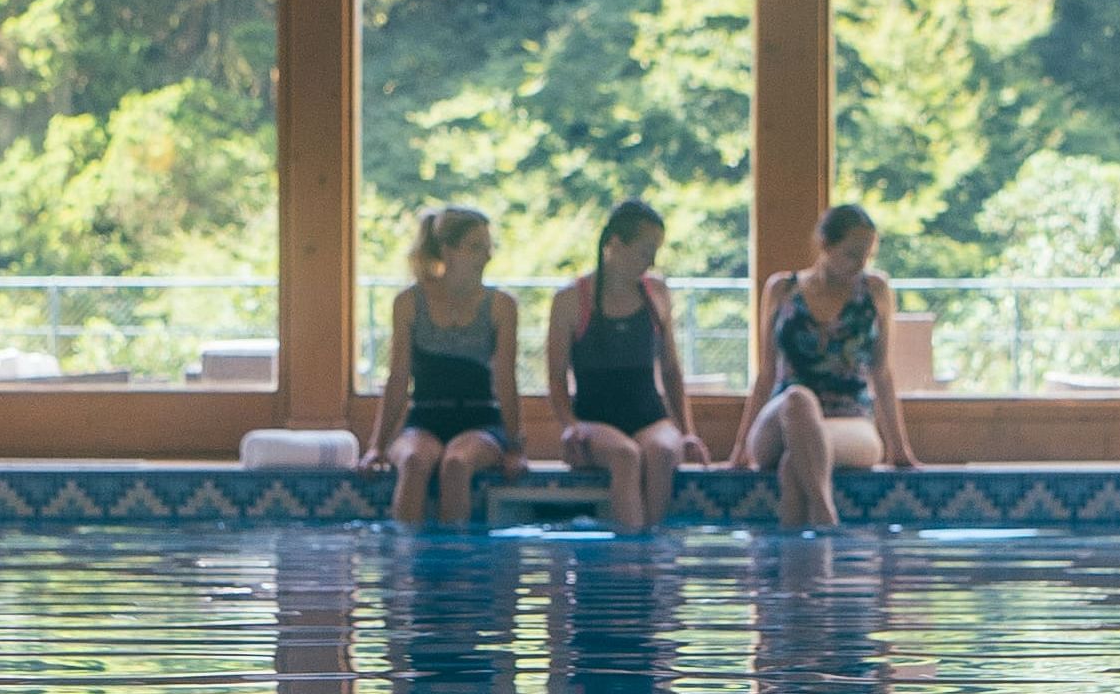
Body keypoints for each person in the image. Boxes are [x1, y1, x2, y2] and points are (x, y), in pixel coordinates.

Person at [737, 203, 917, 528]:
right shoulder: (783, 289)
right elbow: (766, 372)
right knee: (799, 399)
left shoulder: (874, 290)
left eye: (867, 255)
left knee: (796, 464)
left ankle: (801, 553)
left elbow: (881, 372)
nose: (860, 264)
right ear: (825, 245)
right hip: (782, 417)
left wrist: (899, 449)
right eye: (851, 254)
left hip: (848, 419)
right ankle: (826, 521)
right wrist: (739, 450)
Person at [544, 199, 704, 534]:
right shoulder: (571, 300)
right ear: (614, 245)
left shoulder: (656, 293)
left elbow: (671, 370)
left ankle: (651, 545)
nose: (651, 262)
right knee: (626, 456)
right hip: (593, 420)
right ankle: (629, 552)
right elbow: (556, 377)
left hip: (649, 416)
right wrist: (569, 425)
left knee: (663, 451)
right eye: (646, 251)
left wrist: (687, 432)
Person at [369, 205, 522, 527]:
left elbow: (506, 379)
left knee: (456, 463)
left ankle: (457, 556)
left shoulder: (500, 305)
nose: (487, 256)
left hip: (480, 421)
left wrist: (515, 447)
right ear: (448, 250)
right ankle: (406, 554)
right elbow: (398, 377)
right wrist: (376, 446)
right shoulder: (409, 303)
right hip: (425, 418)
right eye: (476, 248)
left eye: (488, 247)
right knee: (413, 462)